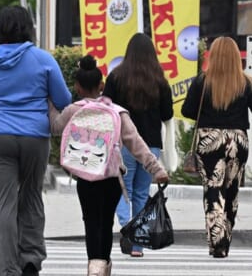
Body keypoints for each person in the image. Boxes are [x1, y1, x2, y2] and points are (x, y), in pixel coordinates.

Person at [0, 6, 72, 276]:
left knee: (2, 204)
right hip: (35, 136)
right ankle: (31, 257)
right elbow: (64, 100)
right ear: (28, 28)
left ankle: (8, 269)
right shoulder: (43, 59)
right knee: (31, 195)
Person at [50, 55, 169, 276]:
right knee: (105, 223)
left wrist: (48, 102)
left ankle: (94, 267)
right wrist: (156, 169)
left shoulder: (73, 110)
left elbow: (56, 127)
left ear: (76, 87)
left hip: (85, 178)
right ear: (102, 86)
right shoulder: (117, 112)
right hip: (112, 177)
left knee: (91, 223)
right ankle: (103, 265)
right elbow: (136, 143)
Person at [181, 36, 252, 258]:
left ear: (212, 56)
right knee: (231, 192)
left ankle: (217, 242)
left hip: (209, 141)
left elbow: (186, 111)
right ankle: (226, 239)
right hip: (238, 141)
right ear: (235, 57)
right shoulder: (247, 84)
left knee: (213, 190)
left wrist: (206, 115)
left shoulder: (202, 82)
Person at [102, 33, 174, 258]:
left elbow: (106, 107)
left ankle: (127, 228)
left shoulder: (116, 77)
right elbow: (167, 114)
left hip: (123, 143)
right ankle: (137, 246)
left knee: (123, 190)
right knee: (142, 192)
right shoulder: (159, 80)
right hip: (150, 144)